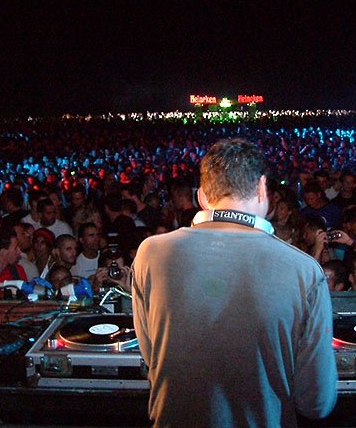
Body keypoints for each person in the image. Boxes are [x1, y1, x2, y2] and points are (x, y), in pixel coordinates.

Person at [131, 138, 337, 427]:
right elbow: (316, 402)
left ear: (202, 197)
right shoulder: (304, 270)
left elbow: (152, 356)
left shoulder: (151, 253)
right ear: (262, 188)